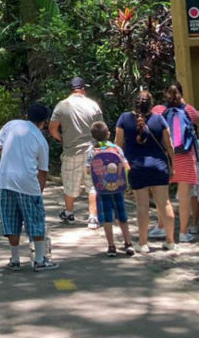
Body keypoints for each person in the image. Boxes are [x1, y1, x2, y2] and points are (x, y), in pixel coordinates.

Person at [0, 103, 59, 271]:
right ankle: (40, 259)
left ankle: (15, 259)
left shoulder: (12, 124)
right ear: (43, 122)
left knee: (10, 220)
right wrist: (39, 192)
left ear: (27, 115)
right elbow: (42, 171)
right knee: (35, 220)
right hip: (28, 183)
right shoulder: (41, 141)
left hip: (5, 181)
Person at [115, 91, 175, 253]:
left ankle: (143, 243)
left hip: (136, 167)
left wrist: (119, 167)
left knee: (142, 205)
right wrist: (172, 165)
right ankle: (170, 241)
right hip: (159, 166)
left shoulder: (124, 119)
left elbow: (118, 145)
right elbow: (169, 144)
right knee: (165, 203)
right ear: (151, 104)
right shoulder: (159, 119)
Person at [49, 76, 103, 228]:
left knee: (69, 183)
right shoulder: (93, 105)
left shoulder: (61, 106)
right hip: (92, 150)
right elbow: (101, 128)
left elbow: (52, 129)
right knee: (93, 184)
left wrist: (62, 139)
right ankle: (93, 217)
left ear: (71, 90)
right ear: (83, 89)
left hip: (71, 150)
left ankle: (69, 212)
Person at [156, 81, 199, 243]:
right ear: (181, 94)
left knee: (163, 196)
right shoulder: (188, 110)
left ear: (165, 94)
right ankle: (183, 232)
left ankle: (162, 228)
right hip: (186, 156)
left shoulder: (159, 110)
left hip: (167, 158)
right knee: (184, 198)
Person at [86, 122, 135, 256]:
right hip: (118, 187)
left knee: (107, 218)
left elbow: (88, 170)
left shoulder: (93, 151)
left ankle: (111, 246)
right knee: (122, 216)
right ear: (108, 134)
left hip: (102, 189)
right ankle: (128, 243)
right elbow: (126, 166)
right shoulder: (117, 149)